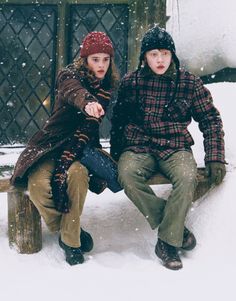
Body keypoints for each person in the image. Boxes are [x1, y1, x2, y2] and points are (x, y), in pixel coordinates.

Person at [110, 26, 226, 270]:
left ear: (172, 55)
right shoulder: (131, 83)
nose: (160, 59)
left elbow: (210, 120)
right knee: (127, 175)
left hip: (174, 145)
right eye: (153, 54)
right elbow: (118, 121)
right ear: (144, 58)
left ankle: (166, 243)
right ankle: (175, 230)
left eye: (164, 53)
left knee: (187, 176)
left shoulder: (189, 83)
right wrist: (116, 153)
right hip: (139, 145)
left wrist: (215, 157)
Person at [11, 31, 121, 265]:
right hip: (51, 146)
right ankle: (67, 230)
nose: (101, 65)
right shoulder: (68, 76)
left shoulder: (107, 88)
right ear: (85, 60)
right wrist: (88, 102)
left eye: (105, 59)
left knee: (78, 177)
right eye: (95, 59)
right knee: (38, 186)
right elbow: (73, 91)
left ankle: (71, 243)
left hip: (79, 149)